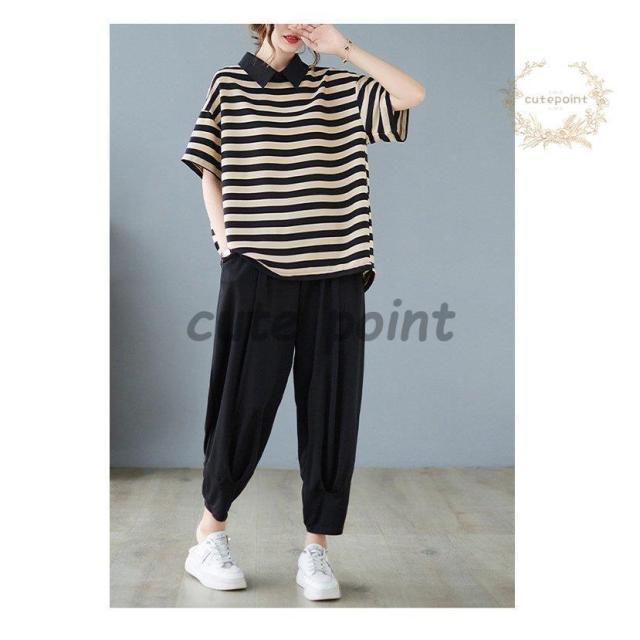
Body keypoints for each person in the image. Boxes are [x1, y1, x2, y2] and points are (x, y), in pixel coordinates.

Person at [180, 23, 425, 601]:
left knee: (330, 410)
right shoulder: (229, 84)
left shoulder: (337, 87)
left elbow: (410, 94)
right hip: (257, 270)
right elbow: (210, 168)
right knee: (241, 404)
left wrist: (344, 49)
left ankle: (317, 550)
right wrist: (226, 242)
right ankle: (209, 533)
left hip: (336, 271)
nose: (296, 21)